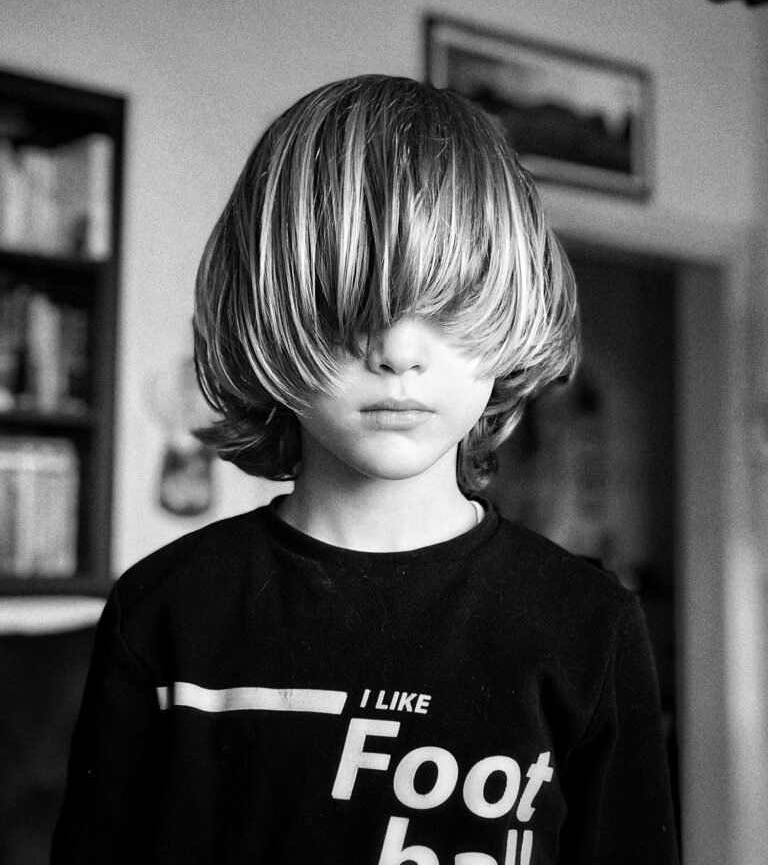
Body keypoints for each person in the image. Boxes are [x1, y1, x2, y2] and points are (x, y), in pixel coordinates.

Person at [52, 75, 679, 864]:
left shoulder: (589, 626)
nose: (400, 353)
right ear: (266, 317)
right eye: (349, 306)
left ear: (512, 317)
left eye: (451, 305)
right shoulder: (163, 613)